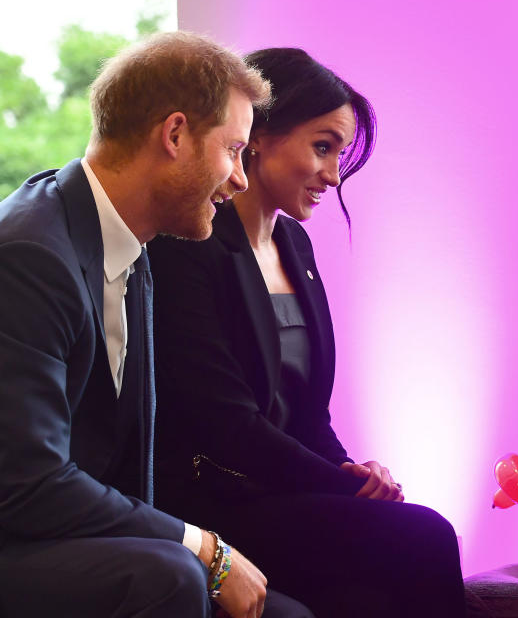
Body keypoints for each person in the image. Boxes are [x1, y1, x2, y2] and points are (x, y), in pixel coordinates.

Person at [0, 31, 316, 617]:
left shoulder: (133, 246)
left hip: (71, 541)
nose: (241, 180)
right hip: (16, 541)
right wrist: (203, 548)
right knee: (170, 574)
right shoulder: (30, 255)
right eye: (232, 151)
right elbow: (28, 484)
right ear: (174, 135)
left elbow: (124, 470)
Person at [149, 47, 466, 617]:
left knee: (377, 578)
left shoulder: (296, 246)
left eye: (339, 154)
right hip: (213, 503)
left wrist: (354, 475)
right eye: (322, 147)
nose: (333, 174)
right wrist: (341, 488)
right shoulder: (186, 245)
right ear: (258, 135)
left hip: (283, 492)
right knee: (426, 536)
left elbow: (308, 415)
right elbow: (227, 425)